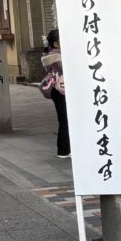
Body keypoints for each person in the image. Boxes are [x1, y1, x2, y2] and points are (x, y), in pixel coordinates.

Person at [41, 29, 70, 158]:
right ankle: (63, 150)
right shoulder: (56, 57)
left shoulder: (53, 55)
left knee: (65, 119)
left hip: (58, 90)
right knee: (65, 120)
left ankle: (65, 148)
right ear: (56, 43)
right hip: (60, 91)